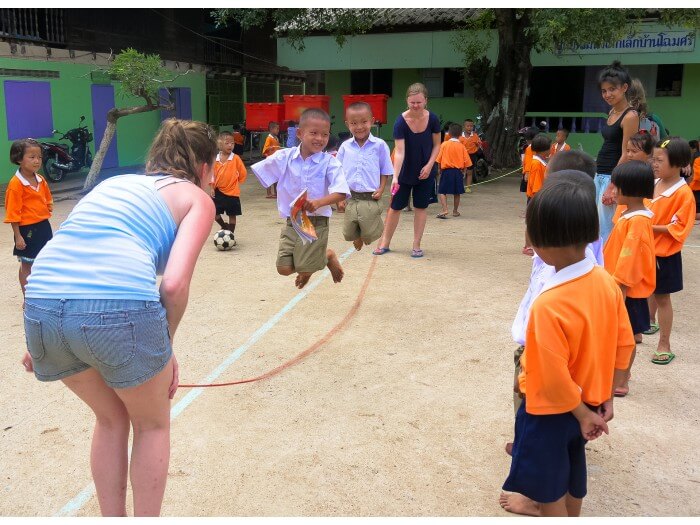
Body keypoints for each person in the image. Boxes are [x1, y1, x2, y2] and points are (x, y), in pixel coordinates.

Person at [21, 119, 217, 516]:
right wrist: (166, 346)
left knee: (110, 420)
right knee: (152, 425)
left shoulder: (113, 185)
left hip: (42, 304)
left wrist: (40, 336)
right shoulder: (197, 198)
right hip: (116, 308)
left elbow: (70, 252)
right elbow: (175, 285)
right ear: (204, 167)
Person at [501, 176, 635, 518]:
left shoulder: (549, 303)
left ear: (542, 243)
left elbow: (552, 375)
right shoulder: (606, 283)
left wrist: (581, 413)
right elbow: (625, 343)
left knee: (549, 491)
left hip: (551, 410)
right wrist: (604, 397)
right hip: (591, 398)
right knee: (574, 477)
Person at [506, 153, 603, 462]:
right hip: (546, 355)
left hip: (540, 360)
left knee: (537, 418)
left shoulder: (556, 287)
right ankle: (527, 445)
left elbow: (550, 368)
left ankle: (533, 487)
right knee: (538, 421)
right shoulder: (581, 263)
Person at [251, 108, 349, 289]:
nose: (319, 139)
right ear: (299, 133)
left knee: (305, 267)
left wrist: (319, 202)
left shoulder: (330, 162)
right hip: (293, 221)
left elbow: (341, 192)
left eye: (325, 135)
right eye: (313, 133)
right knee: (284, 268)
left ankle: (323, 258)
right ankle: (322, 256)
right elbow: (262, 172)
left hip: (316, 222)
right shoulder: (284, 157)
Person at [603, 161, 655, 396]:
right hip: (617, 285)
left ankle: (622, 380)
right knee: (619, 334)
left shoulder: (638, 220)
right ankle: (621, 373)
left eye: (617, 187)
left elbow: (630, 257)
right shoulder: (628, 214)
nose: (612, 191)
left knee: (627, 336)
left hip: (627, 290)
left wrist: (620, 286)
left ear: (630, 190)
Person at [373, 83, 441, 258]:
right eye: (412, 102)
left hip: (425, 172)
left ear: (426, 100)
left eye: (419, 102)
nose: (415, 106)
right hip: (404, 172)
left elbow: (437, 145)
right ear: (407, 101)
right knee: (395, 207)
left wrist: (429, 165)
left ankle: (416, 245)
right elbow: (400, 151)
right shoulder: (400, 122)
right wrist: (395, 177)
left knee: (420, 207)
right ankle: (385, 243)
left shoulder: (433, 119)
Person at [645, 138, 696, 364]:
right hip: (645, 249)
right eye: (653, 159)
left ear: (677, 163)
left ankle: (664, 342)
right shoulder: (653, 182)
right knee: (644, 290)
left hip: (664, 254)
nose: (654, 164)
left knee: (662, 297)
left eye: (659, 160)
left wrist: (646, 225)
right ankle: (644, 323)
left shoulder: (683, 194)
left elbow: (678, 228)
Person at [336, 101, 393, 251]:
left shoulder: (379, 145)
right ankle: (357, 236)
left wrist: (381, 189)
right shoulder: (345, 147)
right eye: (354, 123)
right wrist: (340, 196)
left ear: (372, 121)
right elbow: (338, 172)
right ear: (347, 124)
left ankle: (365, 234)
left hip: (370, 197)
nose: (359, 127)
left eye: (364, 122)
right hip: (351, 196)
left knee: (369, 234)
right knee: (348, 233)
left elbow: (385, 170)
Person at [595, 61, 639, 243]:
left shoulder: (630, 116)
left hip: (613, 177)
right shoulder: (612, 112)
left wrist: (613, 185)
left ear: (625, 88)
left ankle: (608, 268)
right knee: (598, 224)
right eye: (604, 91)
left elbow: (628, 154)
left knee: (607, 229)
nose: (607, 94)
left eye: (612, 89)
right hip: (600, 174)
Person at [4, 138, 53, 295]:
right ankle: (28, 297)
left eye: (39, 157)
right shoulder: (15, 185)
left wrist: (46, 209)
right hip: (26, 230)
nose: (37, 161)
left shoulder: (41, 179)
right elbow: (12, 213)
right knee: (27, 264)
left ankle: (43, 293)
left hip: (44, 226)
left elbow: (47, 198)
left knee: (45, 261)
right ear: (19, 159)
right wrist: (18, 237)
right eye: (31, 157)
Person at [211, 131, 247, 244]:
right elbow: (212, 175)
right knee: (214, 213)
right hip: (218, 191)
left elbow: (243, 173)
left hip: (232, 192)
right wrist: (212, 187)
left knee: (232, 214)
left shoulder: (235, 158)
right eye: (227, 143)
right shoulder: (215, 159)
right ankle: (224, 226)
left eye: (232, 143)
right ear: (220, 144)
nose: (230, 145)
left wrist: (237, 182)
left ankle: (231, 235)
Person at [523, 134, 551, 256]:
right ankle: (528, 246)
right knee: (532, 223)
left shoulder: (540, 162)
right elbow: (536, 186)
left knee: (537, 223)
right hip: (536, 198)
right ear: (545, 150)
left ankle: (534, 244)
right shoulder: (536, 164)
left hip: (538, 197)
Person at [435, 123, 472, 219]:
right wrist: (463, 172)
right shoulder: (462, 146)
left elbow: (439, 159)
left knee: (442, 191)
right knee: (457, 192)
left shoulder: (444, 144)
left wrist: (439, 169)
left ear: (449, 133)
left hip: (446, 171)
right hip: (457, 172)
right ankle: (455, 211)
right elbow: (467, 162)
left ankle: (445, 209)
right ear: (460, 134)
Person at [462, 118, 483, 191]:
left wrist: (475, 150)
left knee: (469, 172)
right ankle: (459, 186)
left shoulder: (475, 136)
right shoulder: (460, 136)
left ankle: (468, 187)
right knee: (460, 171)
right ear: (464, 126)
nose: (469, 128)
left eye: (471, 126)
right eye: (468, 126)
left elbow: (478, 145)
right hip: (461, 156)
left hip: (471, 156)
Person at [262, 121, 281, 199]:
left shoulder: (275, 138)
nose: (278, 130)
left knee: (276, 177)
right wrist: (270, 150)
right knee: (269, 177)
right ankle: (269, 193)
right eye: (277, 129)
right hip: (270, 160)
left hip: (275, 160)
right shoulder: (269, 138)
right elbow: (265, 149)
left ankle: (276, 192)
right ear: (272, 129)